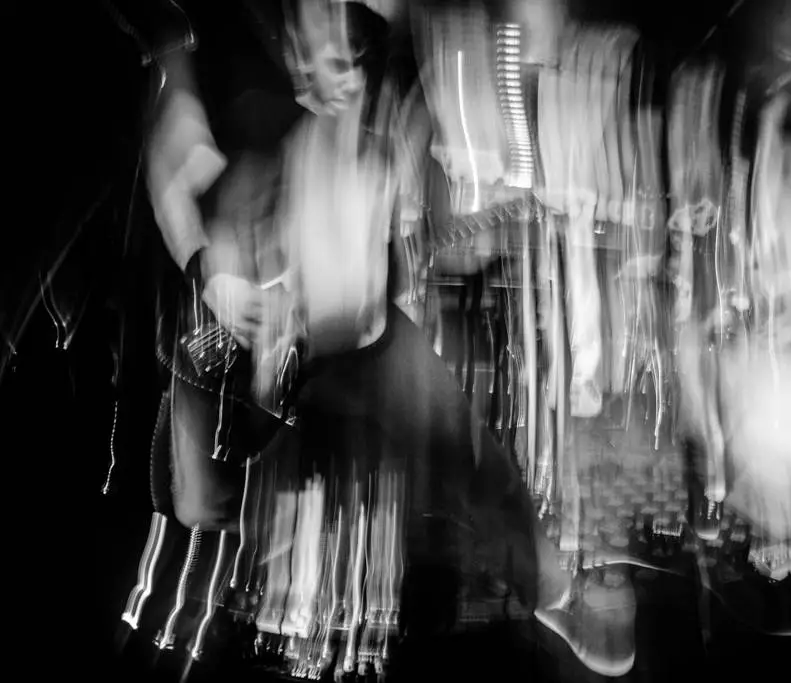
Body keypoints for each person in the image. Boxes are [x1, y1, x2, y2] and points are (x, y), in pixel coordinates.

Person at [142, 0, 633, 675]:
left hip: (369, 341)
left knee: (474, 466)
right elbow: (174, 158)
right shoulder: (247, 91)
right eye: (324, 54)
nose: (343, 74)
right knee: (204, 501)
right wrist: (209, 268)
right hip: (265, 359)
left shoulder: (379, 91)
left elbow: (406, 195)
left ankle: (552, 591)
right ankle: (235, 606)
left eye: (349, 58)